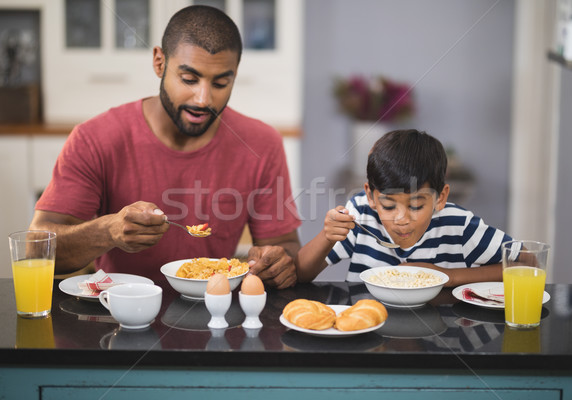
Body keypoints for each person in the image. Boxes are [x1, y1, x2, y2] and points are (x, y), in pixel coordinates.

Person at [29, 6, 301, 288]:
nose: (203, 99)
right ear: (159, 62)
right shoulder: (94, 138)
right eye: (189, 79)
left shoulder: (262, 143)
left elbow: (284, 246)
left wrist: (278, 262)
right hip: (118, 315)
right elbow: (36, 247)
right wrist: (108, 231)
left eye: (221, 82)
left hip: (216, 313)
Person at [295, 129, 512, 287]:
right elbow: (300, 274)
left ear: (440, 197)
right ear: (370, 196)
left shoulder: (459, 225)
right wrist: (327, 236)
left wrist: (448, 276)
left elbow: (526, 262)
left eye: (416, 205)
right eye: (388, 206)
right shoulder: (361, 214)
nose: (401, 218)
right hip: (368, 331)